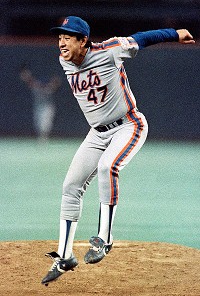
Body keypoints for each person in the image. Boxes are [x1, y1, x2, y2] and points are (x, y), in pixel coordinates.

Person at [41, 16, 195, 285]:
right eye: (60, 36)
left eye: (68, 36)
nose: (61, 41)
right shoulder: (64, 60)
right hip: (97, 133)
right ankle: (65, 256)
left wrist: (175, 32)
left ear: (83, 40)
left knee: (107, 167)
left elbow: (142, 38)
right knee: (70, 186)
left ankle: (104, 239)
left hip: (128, 125)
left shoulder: (110, 50)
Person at [20, 66, 61, 141]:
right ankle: (41, 137)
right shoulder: (35, 85)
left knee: (46, 122)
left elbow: (53, 84)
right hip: (38, 106)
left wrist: (52, 84)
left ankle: (44, 137)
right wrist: (26, 77)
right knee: (38, 122)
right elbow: (31, 82)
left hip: (48, 106)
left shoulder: (49, 88)